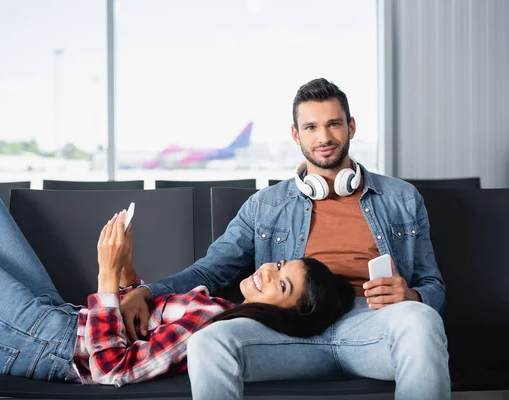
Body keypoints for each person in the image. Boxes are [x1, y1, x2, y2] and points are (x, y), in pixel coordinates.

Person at [120, 78, 450, 400]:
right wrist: (147, 291)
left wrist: (412, 296)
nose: (324, 137)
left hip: (370, 326)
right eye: (311, 127)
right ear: (296, 134)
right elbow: (209, 272)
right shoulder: (265, 206)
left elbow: (432, 282)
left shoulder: (402, 198)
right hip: (288, 329)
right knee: (208, 341)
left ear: (351, 126)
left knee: (420, 320)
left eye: (334, 124)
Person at [0, 174, 355, 387]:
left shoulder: (218, 332)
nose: (267, 270)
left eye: (280, 284)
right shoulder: (222, 308)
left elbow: (110, 369)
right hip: (58, 319)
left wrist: (106, 276)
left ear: (288, 317)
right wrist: (128, 275)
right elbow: (137, 333)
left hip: (32, 341)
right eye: (279, 266)